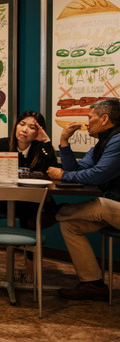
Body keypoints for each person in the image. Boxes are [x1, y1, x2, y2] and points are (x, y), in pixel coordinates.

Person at [46, 98, 120, 301]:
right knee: (70, 225)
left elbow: (97, 175)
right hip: (115, 207)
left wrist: (62, 175)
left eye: (90, 117)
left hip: (113, 206)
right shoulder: (103, 143)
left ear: (104, 119)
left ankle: (54, 212)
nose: (87, 123)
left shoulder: (118, 140)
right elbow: (77, 170)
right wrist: (64, 142)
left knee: (99, 205)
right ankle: (93, 284)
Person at [0, 110, 58, 229]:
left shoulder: (41, 149)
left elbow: (53, 171)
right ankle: (33, 218)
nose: (24, 130)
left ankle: (29, 221)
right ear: (16, 126)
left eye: (31, 127)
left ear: (39, 131)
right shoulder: (0, 145)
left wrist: (46, 141)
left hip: (28, 196)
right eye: (22, 124)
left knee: (34, 201)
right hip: (2, 195)